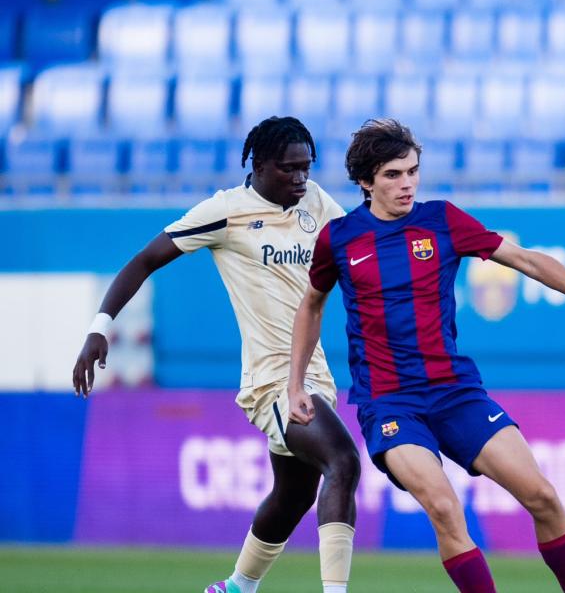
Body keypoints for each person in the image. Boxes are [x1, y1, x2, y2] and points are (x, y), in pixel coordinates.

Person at [288, 118, 565, 593]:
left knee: (542, 496)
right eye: (393, 175)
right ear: (365, 181)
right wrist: (296, 385)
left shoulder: (442, 219)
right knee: (443, 507)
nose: (407, 184)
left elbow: (527, 260)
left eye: (412, 171)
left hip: (455, 393)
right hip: (391, 403)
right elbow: (311, 304)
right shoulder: (339, 238)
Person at [71, 116, 361, 593]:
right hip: (272, 382)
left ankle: (236, 588)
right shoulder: (225, 212)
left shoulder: (313, 201)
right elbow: (145, 259)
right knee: (344, 460)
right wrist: (100, 328)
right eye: (289, 170)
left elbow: (356, 242)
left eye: (307, 168)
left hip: (317, 375)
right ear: (260, 165)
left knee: (294, 496)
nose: (301, 179)